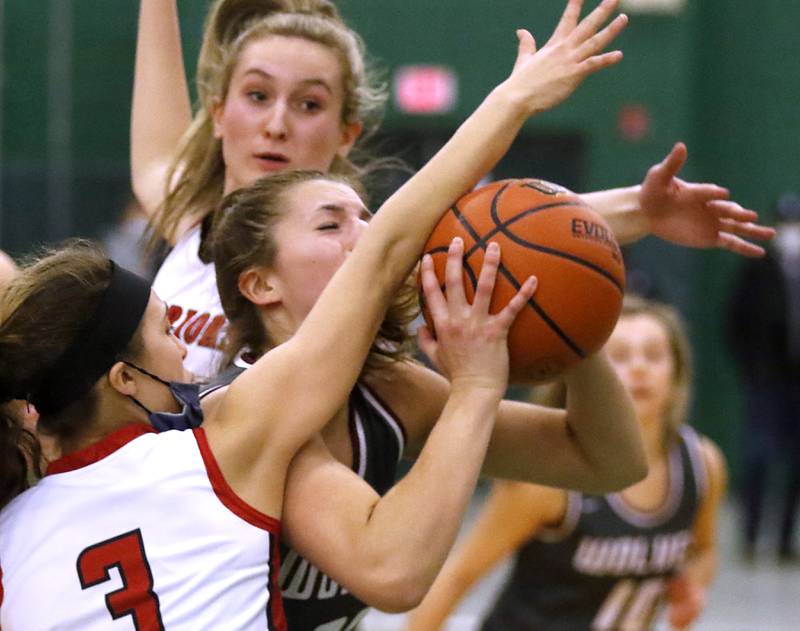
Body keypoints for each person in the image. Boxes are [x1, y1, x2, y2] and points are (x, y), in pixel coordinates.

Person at [0, 12, 636, 628]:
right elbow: (393, 571)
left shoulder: (387, 390)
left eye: (365, 217)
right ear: (259, 283)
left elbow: (606, 462)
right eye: (333, 224)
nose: (364, 235)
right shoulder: (231, 419)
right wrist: (513, 101)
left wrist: (572, 316)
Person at [131, 0, 774, 380]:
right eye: (257, 96)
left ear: (347, 131)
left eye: (308, 104)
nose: (276, 123)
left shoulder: (360, 253)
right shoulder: (190, 214)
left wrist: (640, 206)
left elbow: (495, 230)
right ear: (217, 112)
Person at [405, 296, 728, 631]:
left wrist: (692, 587)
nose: (638, 368)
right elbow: (458, 576)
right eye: (619, 356)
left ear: (677, 374)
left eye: (653, 355)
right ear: (591, 379)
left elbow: (704, 551)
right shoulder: (549, 481)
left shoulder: (703, 464)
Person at [727, 192, 800, 562]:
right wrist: (750, 369)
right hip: (765, 381)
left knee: (795, 464)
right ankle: (752, 537)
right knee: (759, 456)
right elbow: (735, 321)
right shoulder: (756, 268)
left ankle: (787, 540)